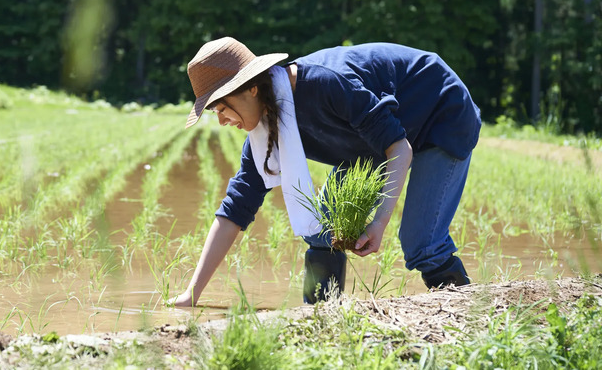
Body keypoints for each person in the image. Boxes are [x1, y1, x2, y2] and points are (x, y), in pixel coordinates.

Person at [169, 37, 481, 307]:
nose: (223, 121)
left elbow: (399, 148)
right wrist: (192, 292)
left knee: (422, 245)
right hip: (372, 144)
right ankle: (321, 314)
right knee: (323, 230)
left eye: (222, 108)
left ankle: (470, 316)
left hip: (439, 114)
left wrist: (379, 222)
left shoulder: (326, 84)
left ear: (251, 89)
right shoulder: (266, 129)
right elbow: (236, 209)